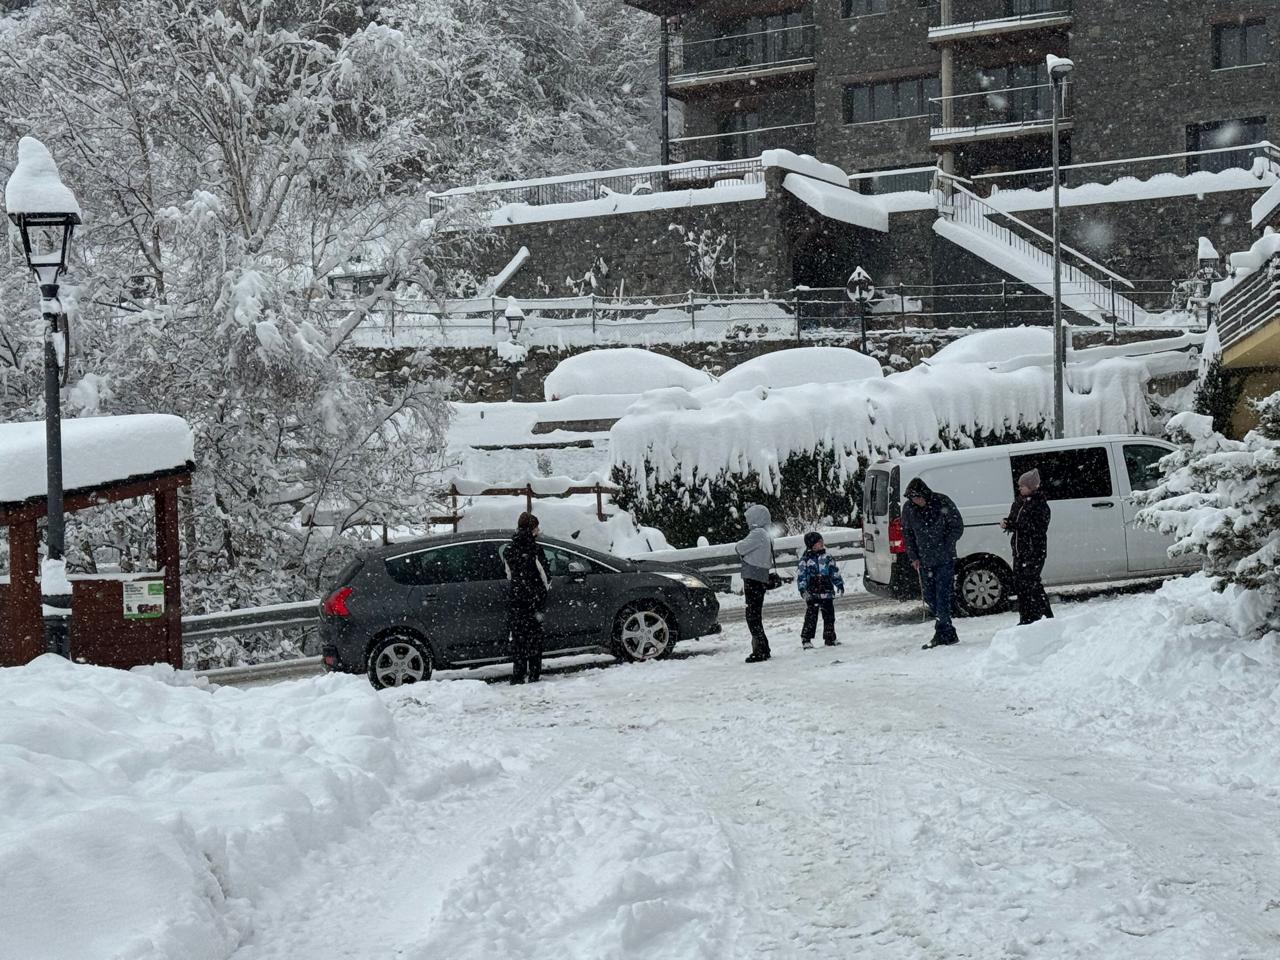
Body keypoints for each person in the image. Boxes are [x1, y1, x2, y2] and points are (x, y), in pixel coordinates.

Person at [900, 477, 965, 649]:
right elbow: (907, 534)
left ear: (924, 494)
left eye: (917, 497)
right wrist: (913, 556)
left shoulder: (942, 502)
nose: (916, 501)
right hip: (924, 560)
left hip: (944, 558)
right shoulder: (908, 509)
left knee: (942, 596)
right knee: (930, 596)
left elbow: (957, 526)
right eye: (912, 498)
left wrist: (946, 544)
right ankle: (948, 632)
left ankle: (942, 632)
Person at [1001, 468, 1053, 624]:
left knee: (1032, 583)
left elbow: (1036, 527)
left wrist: (1014, 525)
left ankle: (1044, 615)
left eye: (1022, 486)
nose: (1020, 488)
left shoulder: (1040, 504)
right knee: (1021, 585)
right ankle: (1026, 617)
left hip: (1034, 551)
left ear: (1032, 487)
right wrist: (1008, 523)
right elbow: (1015, 522)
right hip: (1019, 551)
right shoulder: (1018, 502)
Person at [503, 511, 550, 684]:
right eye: (537, 527)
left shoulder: (509, 550)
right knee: (535, 637)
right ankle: (534, 672)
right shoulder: (535, 549)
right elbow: (545, 576)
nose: (538, 530)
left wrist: (519, 587)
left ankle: (518, 673)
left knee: (518, 638)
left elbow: (509, 574)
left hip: (516, 599)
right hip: (533, 600)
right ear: (532, 529)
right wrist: (541, 592)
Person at [734, 503, 774, 663]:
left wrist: (739, 546)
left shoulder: (757, 533)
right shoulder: (766, 533)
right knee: (755, 614)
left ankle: (760, 650)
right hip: (761, 577)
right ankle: (763, 647)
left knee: (752, 616)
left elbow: (740, 548)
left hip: (753, 577)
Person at [796, 532, 844, 649]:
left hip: (827, 592)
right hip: (812, 593)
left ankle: (830, 637)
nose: (821, 544)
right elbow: (801, 576)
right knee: (811, 617)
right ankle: (806, 638)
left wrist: (839, 584)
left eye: (822, 541)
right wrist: (803, 590)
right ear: (812, 545)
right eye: (818, 542)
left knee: (829, 617)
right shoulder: (805, 560)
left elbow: (834, 572)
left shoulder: (827, 558)